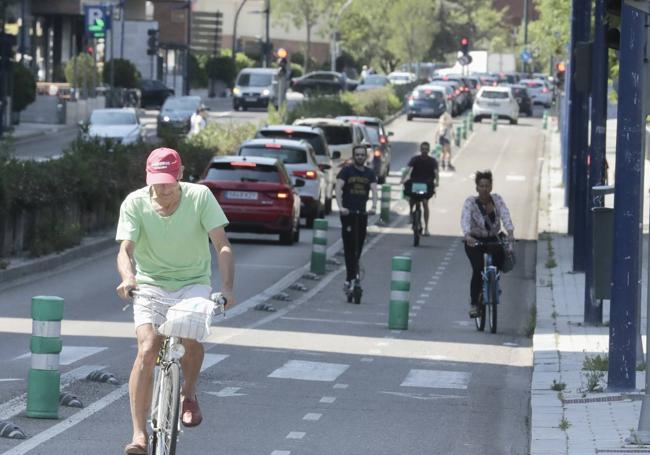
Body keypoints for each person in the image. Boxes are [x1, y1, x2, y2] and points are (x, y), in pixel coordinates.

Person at [115, 147, 235, 455]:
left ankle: (188, 394)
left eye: (169, 180)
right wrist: (128, 278)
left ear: (179, 175)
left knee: (190, 338)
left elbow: (221, 244)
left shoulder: (200, 197)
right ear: (148, 177)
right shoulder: (135, 202)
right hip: (150, 285)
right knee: (147, 347)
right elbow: (125, 249)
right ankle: (139, 434)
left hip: (192, 284)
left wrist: (227, 288)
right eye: (157, 180)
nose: (163, 187)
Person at [461, 170, 514, 318]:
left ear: (491, 187)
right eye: (481, 185)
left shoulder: (497, 200)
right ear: (477, 188)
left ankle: (493, 284)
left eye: (487, 185)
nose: (484, 188)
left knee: (499, 261)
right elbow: (465, 219)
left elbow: (505, 214)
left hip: (493, 239)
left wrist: (510, 232)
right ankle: (474, 303)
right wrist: (467, 235)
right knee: (478, 269)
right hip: (475, 240)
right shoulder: (470, 202)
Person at [335, 145, 378, 296]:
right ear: (353, 157)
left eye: (362, 155)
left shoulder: (369, 173)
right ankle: (349, 278)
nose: (360, 157)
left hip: (361, 214)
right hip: (348, 214)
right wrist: (340, 207)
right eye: (357, 154)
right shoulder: (346, 171)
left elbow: (373, 189)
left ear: (366, 157)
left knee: (358, 247)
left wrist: (373, 206)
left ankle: (353, 277)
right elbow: (338, 188)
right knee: (349, 247)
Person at [401, 141, 439, 236]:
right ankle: (410, 212)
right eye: (423, 149)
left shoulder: (432, 161)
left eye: (426, 149)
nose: (424, 151)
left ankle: (426, 227)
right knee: (411, 198)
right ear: (420, 149)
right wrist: (403, 179)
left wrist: (437, 182)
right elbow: (407, 169)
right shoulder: (415, 159)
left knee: (425, 203)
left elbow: (436, 172)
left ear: (429, 150)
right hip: (415, 183)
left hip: (427, 185)